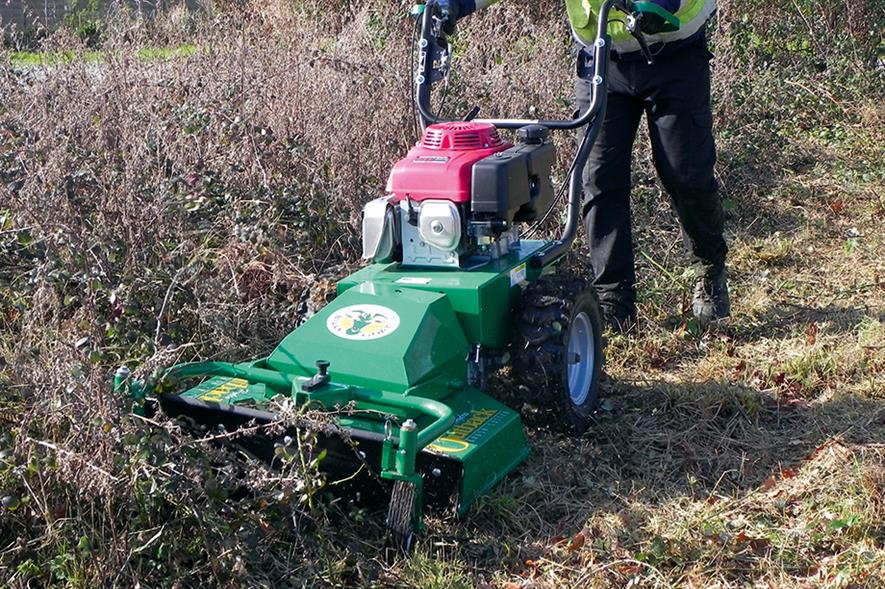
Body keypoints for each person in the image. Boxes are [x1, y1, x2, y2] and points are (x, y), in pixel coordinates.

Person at [440, 0, 730, 332]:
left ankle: (709, 266)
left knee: (686, 175)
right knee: (600, 179)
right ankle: (613, 301)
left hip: (674, 52)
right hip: (602, 60)